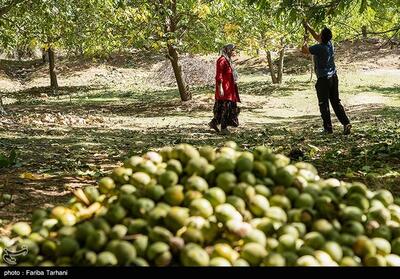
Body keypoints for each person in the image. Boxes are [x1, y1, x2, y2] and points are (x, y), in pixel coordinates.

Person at [301, 21, 352, 135]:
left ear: (322, 37)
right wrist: (308, 27)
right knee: (335, 102)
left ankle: (328, 128)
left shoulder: (319, 48)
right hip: (333, 77)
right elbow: (317, 36)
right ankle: (346, 123)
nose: (318, 35)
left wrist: (305, 39)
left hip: (323, 79)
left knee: (323, 104)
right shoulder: (329, 44)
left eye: (320, 34)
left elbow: (303, 50)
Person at [209, 44, 241, 135]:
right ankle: (223, 128)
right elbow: (219, 76)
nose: (234, 52)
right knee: (225, 109)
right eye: (233, 50)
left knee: (223, 108)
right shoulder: (222, 60)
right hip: (224, 90)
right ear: (228, 50)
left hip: (230, 89)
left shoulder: (228, 60)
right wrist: (220, 89)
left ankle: (213, 123)